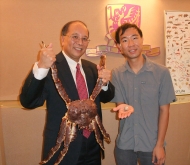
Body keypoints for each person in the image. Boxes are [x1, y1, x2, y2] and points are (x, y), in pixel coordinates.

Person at [19, 20, 115, 165]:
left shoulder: (92, 69)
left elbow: (107, 97)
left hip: (93, 148)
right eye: (75, 37)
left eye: (84, 38)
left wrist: (106, 83)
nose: (80, 42)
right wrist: (42, 67)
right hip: (62, 149)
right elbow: (28, 101)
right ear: (63, 39)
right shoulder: (50, 68)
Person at [111, 23, 177, 165]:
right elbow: (120, 104)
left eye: (134, 38)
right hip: (125, 145)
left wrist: (159, 145)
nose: (131, 44)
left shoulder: (161, 73)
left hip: (152, 144)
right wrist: (123, 107)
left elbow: (165, 110)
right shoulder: (117, 74)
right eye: (125, 40)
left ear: (142, 40)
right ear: (119, 46)